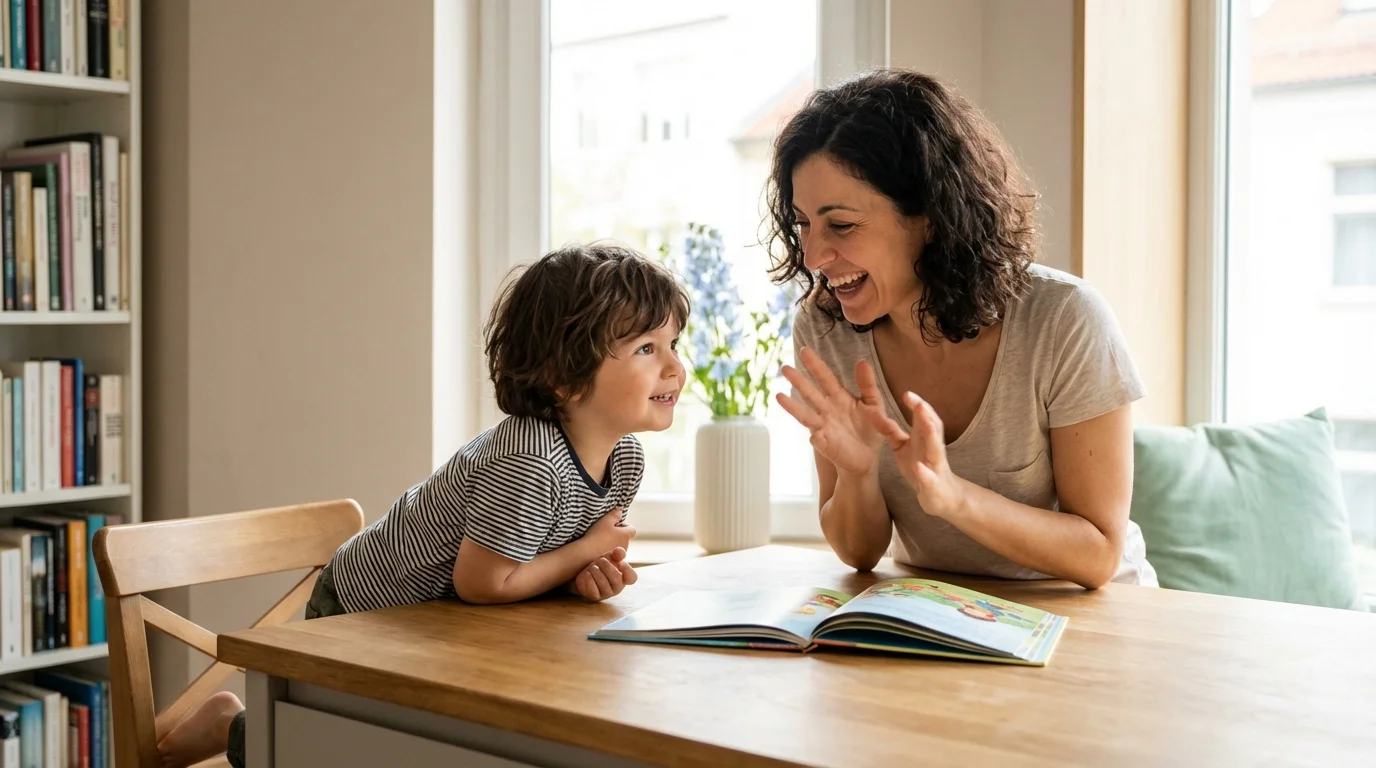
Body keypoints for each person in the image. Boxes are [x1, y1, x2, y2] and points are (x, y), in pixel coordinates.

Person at [156, 242, 690, 768]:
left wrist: (582, 572)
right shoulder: (531, 459)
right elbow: (484, 583)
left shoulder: (625, 461)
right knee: (344, 750)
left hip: (441, 627)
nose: (674, 366)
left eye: (673, 343)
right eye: (647, 348)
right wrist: (587, 550)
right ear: (564, 376)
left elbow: (535, 557)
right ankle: (231, 725)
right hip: (366, 613)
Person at [767, 69, 1158, 590]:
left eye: (841, 225)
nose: (814, 255)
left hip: (1089, 616)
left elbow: (1098, 555)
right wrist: (860, 474)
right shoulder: (825, 328)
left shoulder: (1065, 319)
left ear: (930, 215)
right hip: (939, 617)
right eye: (802, 224)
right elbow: (859, 554)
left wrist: (954, 498)